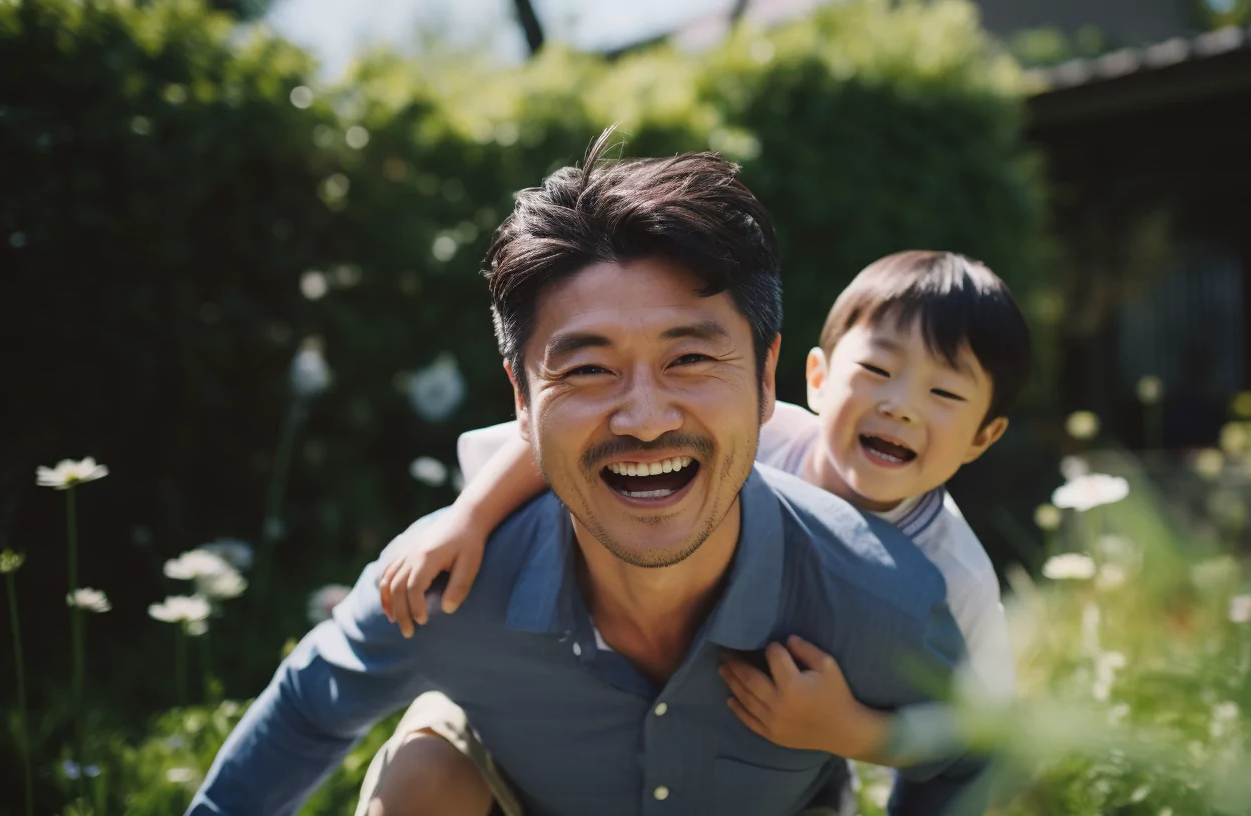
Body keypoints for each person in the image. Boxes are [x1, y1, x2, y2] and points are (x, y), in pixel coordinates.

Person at [188, 131, 984, 816]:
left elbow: (967, 760)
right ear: (522, 402)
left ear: (766, 377)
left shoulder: (882, 602)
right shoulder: (443, 582)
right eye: (589, 370)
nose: (644, 419)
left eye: (691, 358)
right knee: (422, 777)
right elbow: (305, 711)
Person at [380, 250, 1031, 774]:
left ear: (984, 436)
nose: (901, 406)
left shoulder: (952, 571)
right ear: (818, 378)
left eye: (944, 391)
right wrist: (469, 516)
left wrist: (849, 730)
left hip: (773, 769)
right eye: (878, 370)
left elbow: (979, 724)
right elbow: (555, 442)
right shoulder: (757, 436)